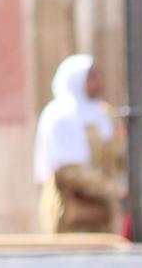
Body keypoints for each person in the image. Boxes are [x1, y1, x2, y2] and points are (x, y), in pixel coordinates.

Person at [35, 53, 124, 233]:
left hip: (104, 212)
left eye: (99, 75)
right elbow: (68, 171)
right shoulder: (60, 115)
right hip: (71, 212)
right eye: (92, 77)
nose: (99, 82)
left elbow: (117, 156)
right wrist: (112, 189)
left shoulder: (104, 113)